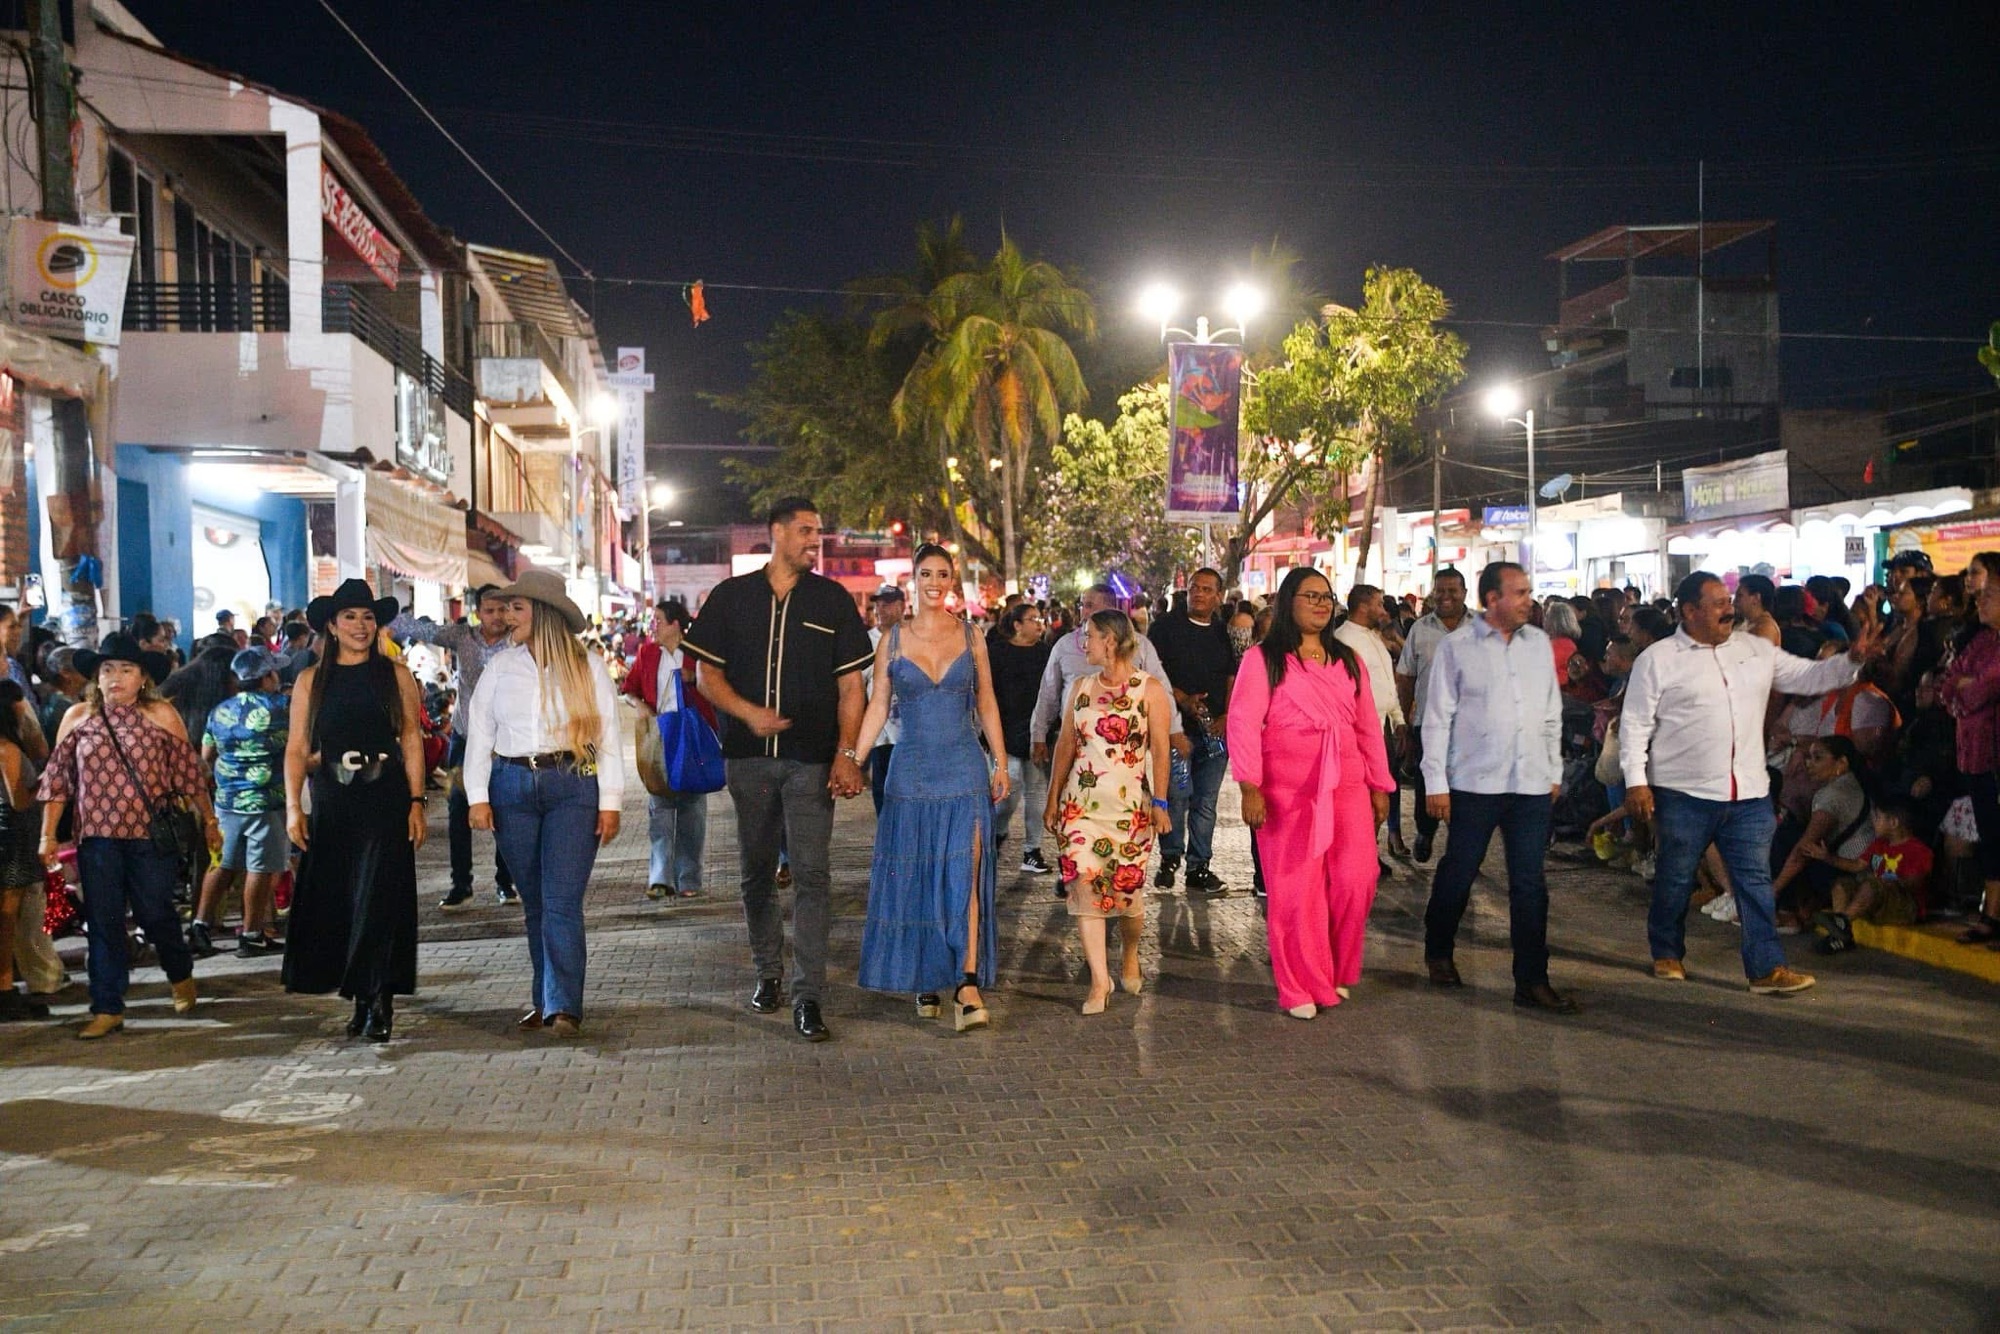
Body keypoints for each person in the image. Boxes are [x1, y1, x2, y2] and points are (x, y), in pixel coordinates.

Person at [1621, 571, 1880, 994]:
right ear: (1690, 612)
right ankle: (1666, 951)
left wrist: (1852, 659)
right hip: (1684, 793)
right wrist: (1636, 782)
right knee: (1676, 877)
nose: (1729, 608)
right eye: (1719, 602)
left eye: (1729, 600)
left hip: (1749, 793)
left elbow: (1809, 677)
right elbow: (1634, 726)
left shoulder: (1754, 649)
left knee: (1755, 883)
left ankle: (1766, 968)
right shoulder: (1659, 659)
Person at [683, 497, 873, 1043]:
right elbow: (705, 676)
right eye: (807, 530)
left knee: (813, 876)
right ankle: (768, 972)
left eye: (820, 531)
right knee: (756, 872)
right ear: (777, 533)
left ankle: (808, 994)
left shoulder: (832, 600)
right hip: (748, 760)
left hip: (812, 762)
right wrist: (748, 714)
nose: (817, 540)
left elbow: (852, 687)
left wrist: (848, 752)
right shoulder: (732, 597)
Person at [851, 545, 1009, 1029]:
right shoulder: (892, 642)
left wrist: (1000, 763)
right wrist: (854, 761)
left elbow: (986, 702)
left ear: (953, 579)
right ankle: (925, 974)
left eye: (943, 573)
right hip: (911, 772)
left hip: (965, 768)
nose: (934, 582)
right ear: (914, 579)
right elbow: (877, 706)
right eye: (926, 574)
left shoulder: (973, 635)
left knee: (967, 875)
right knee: (919, 876)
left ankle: (966, 982)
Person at [37, 633, 220, 1039]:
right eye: (107, 670)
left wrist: (209, 820)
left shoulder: (160, 715)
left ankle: (179, 971)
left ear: (142, 678)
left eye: (125, 669)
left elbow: (189, 774)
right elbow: (57, 781)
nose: (115, 677)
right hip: (96, 839)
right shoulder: (78, 717)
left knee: (156, 913)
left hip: (148, 836)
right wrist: (47, 835)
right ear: (96, 678)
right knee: (103, 923)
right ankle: (107, 1006)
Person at [464, 570, 623, 1039]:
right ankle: (545, 997)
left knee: (561, 899)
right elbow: (480, 735)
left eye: (517, 607)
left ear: (544, 613)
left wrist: (610, 801)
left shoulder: (587, 667)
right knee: (534, 901)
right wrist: (477, 796)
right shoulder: (500, 667)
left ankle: (564, 1005)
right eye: (506, 607)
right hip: (511, 787)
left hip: (572, 786)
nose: (506, 616)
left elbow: (608, 736)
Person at [1231, 569, 1395, 1019]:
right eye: (1311, 597)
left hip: (1347, 781)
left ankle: (1334, 970)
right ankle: (1299, 984)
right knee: (1295, 890)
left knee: (1356, 880)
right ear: (1289, 601)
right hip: (1287, 789)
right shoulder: (1264, 659)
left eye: (1327, 597)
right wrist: (1250, 785)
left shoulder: (1347, 659)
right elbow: (1243, 723)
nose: (1322, 605)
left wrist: (1380, 784)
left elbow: (1367, 725)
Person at [1419, 561, 1575, 1012]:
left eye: (1529, 592)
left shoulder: (1538, 644)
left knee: (1529, 884)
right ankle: (1439, 948)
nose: (1529, 600)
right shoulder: (1457, 647)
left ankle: (1532, 979)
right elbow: (1437, 718)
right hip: (1473, 782)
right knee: (1459, 872)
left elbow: (1550, 713)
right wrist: (1435, 782)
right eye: (1520, 592)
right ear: (1492, 599)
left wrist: (1553, 772)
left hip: (1529, 785)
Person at [282, 580, 428, 1042]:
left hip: (385, 799)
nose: (360, 626)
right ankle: (360, 993)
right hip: (333, 801)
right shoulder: (311, 680)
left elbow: (410, 739)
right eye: (350, 617)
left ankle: (378, 997)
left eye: (367, 617)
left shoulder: (395, 675)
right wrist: (292, 808)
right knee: (342, 900)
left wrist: (417, 800)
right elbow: (296, 747)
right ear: (332, 624)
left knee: (381, 898)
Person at [1043, 609, 1172, 1014]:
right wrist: (1053, 799)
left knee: (1127, 899)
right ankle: (1100, 981)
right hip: (1080, 809)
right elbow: (1065, 744)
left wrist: (1161, 803)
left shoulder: (1148, 690)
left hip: (1130, 811)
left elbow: (1161, 751)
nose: (1085, 644)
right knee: (1084, 887)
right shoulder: (1080, 686)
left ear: (1111, 642)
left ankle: (1130, 952)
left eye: (1091, 637)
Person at [395, 586, 518, 909]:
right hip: (465, 739)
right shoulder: (462, 636)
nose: (496, 617)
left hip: (507, 739)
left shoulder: (519, 640)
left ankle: (506, 882)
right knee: (457, 809)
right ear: (478, 611)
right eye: (489, 610)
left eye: (502, 610)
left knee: (504, 809)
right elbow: (424, 629)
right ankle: (461, 884)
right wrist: (380, 616)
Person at [189, 647, 291, 959]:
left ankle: (200, 927)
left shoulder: (220, 710)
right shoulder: (281, 708)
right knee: (259, 869)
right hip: (266, 801)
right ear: (266, 677)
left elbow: (206, 758)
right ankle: (251, 935)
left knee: (223, 862)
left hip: (226, 801)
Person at [1150, 568, 1237, 897]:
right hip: (1176, 733)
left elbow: (1230, 675)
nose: (1198, 594)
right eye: (1194, 588)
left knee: (1206, 801)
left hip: (1213, 732)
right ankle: (1170, 858)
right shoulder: (1166, 628)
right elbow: (1152, 673)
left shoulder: (1221, 632)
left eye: (1206, 589)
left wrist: (1226, 714)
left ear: (1218, 596)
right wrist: (1181, 699)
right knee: (1177, 794)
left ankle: (1199, 866)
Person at [622, 599, 711, 901]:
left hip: (692, 735)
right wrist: (642, 706)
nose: (654, 627)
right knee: (659, 808)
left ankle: (689, 878)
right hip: (660, 736)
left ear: (675, 624)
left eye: (659, 620)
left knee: (692, 810)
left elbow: (719, 687)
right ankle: (660, 878)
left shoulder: (698, 654)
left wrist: (695, 680)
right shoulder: (648, 654)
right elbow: (629, 688)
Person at [1395, 568, 1470, 864]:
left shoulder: (1481, 627)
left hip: (1471, 728)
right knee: (1429, 785)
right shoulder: (1420, 629)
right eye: (1440, 590)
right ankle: (1425, 831)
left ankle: (1463, 847)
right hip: (1429, 724)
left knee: (1466, 790)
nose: (1446, 596)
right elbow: (1406, 678)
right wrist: (1403, 722)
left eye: (1453, 590)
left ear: (1464, 592)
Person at [1336, 584, 1410, 860]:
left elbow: (1386, 681)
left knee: (1383, 792)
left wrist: (1397, 718)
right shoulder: (1344, 640)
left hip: (1383, 728)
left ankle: (1369, 850)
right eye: (1379, 604)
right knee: (1364, 797)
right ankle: (1359, 853)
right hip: (1359, 734)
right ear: (1364, 606)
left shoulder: (1375, 637)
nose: (1383, 610)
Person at [1808, 797, 1932, 952]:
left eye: (1877, 817)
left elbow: (1915, 883)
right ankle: (1840, 934)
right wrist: (1828, 858)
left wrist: (1889, 881)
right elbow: (1856, 865)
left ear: (1894, 823)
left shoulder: (1918, 850)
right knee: (1842, 885)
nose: (1873, 822)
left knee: (1872, 883)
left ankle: (1842, 921)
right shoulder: (1879, 844)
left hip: (1906, 907)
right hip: (1880, 898)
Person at [989, 601, 1055, 873]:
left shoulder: (1046, 653)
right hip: (1004, 733)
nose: (1039, 623)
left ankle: (1032, 851)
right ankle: (998, 831)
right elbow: (988, 695)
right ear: (1017, 625)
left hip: (1037, 733)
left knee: (1037, 792)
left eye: (1040, 619)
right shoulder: (998, 653)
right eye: (1032, 619)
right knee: (1009, 790)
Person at [0, 681, 47, 1020]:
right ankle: (4, 988)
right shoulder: (7, 750)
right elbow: (19, 800)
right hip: (11, 838)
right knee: (7, 916)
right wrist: (45, 784)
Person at [863, 586, 906, 814]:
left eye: (887, 603)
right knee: (884, 795)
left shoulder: (913, 637)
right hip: (881, 736)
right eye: (878, 604)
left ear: (902, 606)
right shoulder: (866, 641)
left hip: (910, 735)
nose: (881, 609)